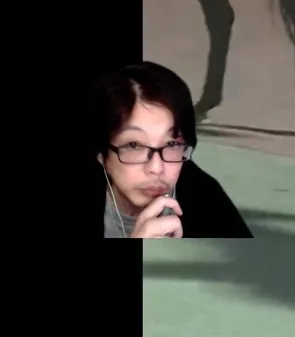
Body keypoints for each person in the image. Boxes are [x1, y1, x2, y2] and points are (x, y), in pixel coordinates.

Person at [89, 61, 252, 238]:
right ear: (102, 155)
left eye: (171, 144)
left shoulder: (207, 201)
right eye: (134, 145)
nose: (157, 168)